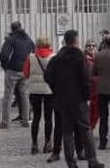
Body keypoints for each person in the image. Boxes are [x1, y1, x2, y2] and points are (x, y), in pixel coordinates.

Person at [44, 30, 104, 168]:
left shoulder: (57, 57)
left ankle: (71, 162)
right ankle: (92, 160)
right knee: (85, 129)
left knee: (67, 131)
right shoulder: (79, 56)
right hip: (78, 99)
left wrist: (56, 90)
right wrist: (87, 96)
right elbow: (85, 78)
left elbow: (48, 77)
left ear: (65, 41)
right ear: (76, 41)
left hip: (63, 99)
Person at [0, 21, 35, 129]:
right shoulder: (29, 40)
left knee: (8, 96)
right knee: (25, 95)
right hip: (25, 71)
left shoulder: (11, 40)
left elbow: (4, 55)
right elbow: (34, 54)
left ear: (12, 29)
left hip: (12, 70)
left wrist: (6, 67)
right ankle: (26, 120)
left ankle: (5, 122)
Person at [23, 37, 56, 155]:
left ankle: (34, 144)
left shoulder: (31, 57)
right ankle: (48, 144)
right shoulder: (53, 57)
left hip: (34, 90)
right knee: (48, 118)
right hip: (49, 90)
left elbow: (25, 74)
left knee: (36, 118)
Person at [83, 39, 99, 130]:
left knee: (96, 111)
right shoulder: (83, 58)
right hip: (87, 88)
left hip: (97, 88)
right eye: (89, 45)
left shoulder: (98, 57)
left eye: (93, 45)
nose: (91, 47)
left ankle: (91, 127)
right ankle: (88, 128)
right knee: (88, 110)